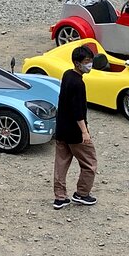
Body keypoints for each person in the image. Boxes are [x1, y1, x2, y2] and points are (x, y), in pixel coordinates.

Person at [53, 45, 98, 210]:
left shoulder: (67, 75)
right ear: (77, 63)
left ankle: (60, 197)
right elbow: (78, 112)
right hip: (75, 133)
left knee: (61, 164)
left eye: (90, 61)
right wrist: (85, 132)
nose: (90, 64)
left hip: (62, 129)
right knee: (90, 163)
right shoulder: (79, 84)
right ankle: (82, 193)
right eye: (86, 61)